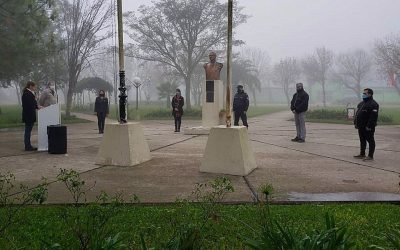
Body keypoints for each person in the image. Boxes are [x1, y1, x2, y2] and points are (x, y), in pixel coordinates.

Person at [354, 88, 379, 161]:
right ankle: (362, 154)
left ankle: (370, 156)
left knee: (370, 140)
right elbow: (357, 114)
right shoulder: (361, 103)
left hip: (368, 127)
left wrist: (369, 126)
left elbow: (373, 117)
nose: (363, 94)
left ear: (370, 94)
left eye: (365, 93)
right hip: (360, 126)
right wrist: (356, 123)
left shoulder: (374, 104)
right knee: (362, 140)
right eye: (363, 93)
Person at [22, 81, 42, 151]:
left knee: (28, 130)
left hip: (29, 115)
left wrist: (37, 106)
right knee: (28, 131)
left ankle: (28, 145)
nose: (35, 88)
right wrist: (36, 106)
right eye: (34, 86)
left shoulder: (29, 93)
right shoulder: (27, 94)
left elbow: (32, 103)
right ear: (30, 86)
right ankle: (27, 146)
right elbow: (29, 105)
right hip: (29, 115)